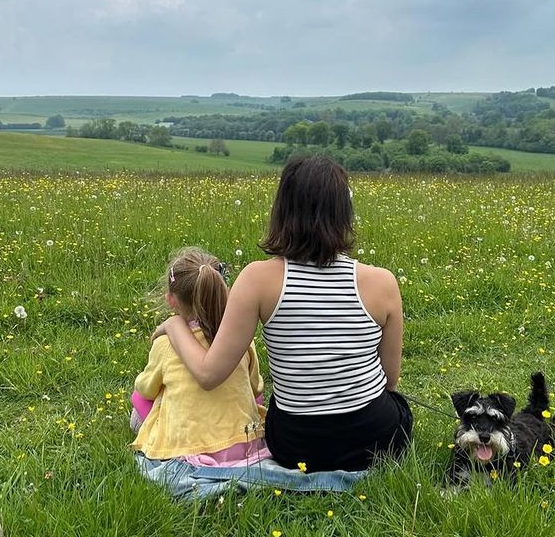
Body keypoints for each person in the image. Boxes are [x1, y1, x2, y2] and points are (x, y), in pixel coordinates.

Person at [155, 156, 412, 471]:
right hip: (375, 442)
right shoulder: (383, 282)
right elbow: (390, 379)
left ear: (282, 211)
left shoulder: (257, 279)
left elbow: (209, 374)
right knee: (397, 408)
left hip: (296, 445)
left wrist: (173, 325)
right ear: (345, 213)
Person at [131, 247, 269, 467]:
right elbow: (256, 388)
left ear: (171, 300)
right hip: (242, 443)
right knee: (254, 398)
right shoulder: (241, 340)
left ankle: (170, 438)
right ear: (223, 291)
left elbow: (146, 389)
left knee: (139, 398)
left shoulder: (165, 344)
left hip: (186, 448)